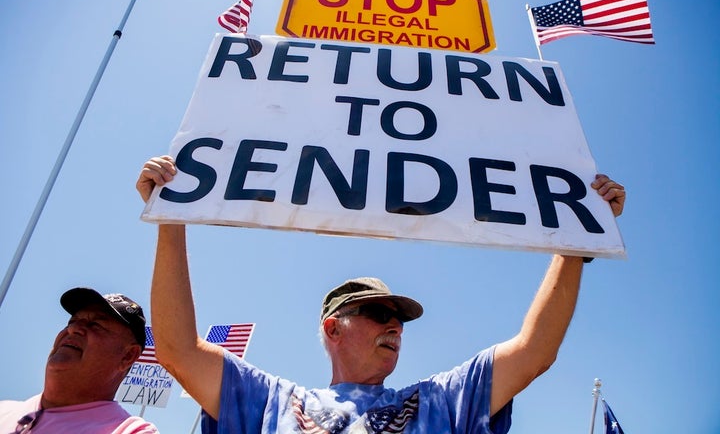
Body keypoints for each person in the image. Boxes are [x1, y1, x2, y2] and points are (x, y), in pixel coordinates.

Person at [137, 155, 626, 434]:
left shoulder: (442, 402)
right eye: (377, 313)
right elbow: (178, 351)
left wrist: (575, 246)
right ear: (333, 327)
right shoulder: (268, 401)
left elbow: (534, 351)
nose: (394, 325)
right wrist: (170, 219)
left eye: (400, 319)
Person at [0, 288, 159, 433]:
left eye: (95, 324)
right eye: (72, 322)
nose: (73, 329)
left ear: (128, 356)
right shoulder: (4, 410)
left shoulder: (130, 431)